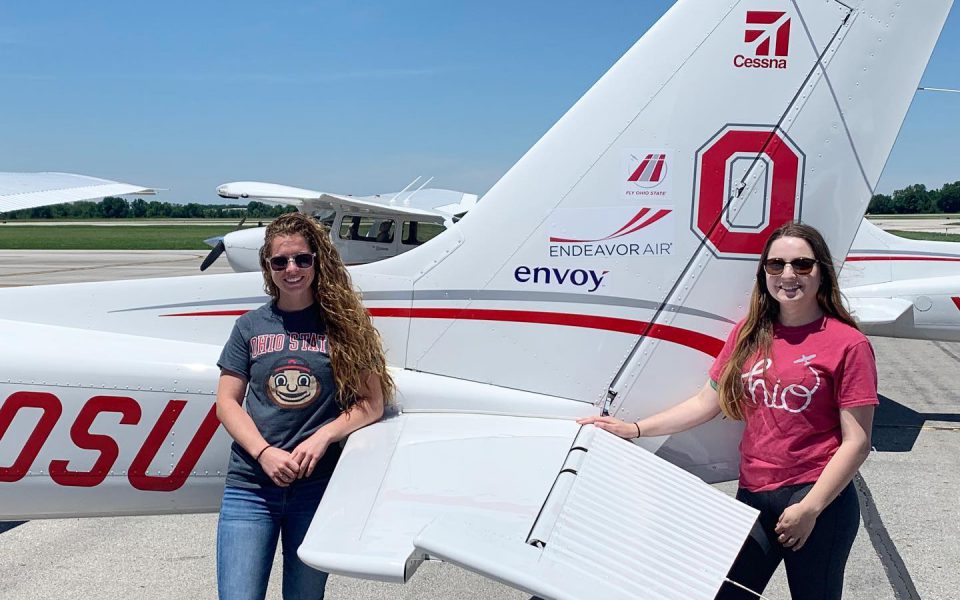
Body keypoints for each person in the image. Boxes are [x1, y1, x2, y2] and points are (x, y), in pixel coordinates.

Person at [579, 221, 877, 600]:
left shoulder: (848, 344)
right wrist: (635, 429)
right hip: (754, 494)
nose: (788, 275)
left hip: (817, 500)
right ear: (764, 273)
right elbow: (707, 401)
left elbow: (857, 442)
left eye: (802, 264)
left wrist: (810, 508)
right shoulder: (750, 333)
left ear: (821, 272)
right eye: (776, 265)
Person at [215, 212, 394, 600]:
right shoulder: (249, 326)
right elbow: (227, 403)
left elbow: (373, 403)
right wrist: (263, 453)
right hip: (251, 488)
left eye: (301, 259)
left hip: (314, 489)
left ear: (317, 261)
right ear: (267, 266)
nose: (291, 269)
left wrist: (324, 437)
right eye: (280, 261)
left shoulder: (344, 325)